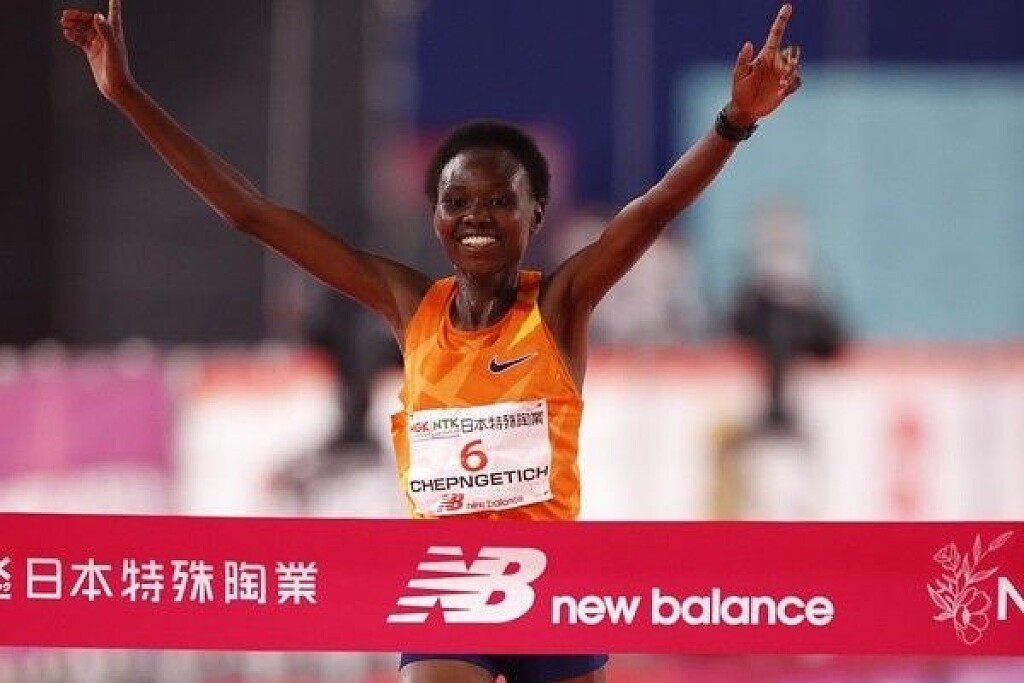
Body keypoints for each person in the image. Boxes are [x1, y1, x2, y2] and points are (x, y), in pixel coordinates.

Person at [60, 2, 802, 681]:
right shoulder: (409, 305)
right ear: (436, 217)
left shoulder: (560, 304)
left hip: (552, 582)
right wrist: (126, 94)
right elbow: (251, 213)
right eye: (457, 201)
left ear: (535, 214)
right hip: (447, 583)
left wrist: (734, 121)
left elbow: (654, 208)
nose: (476, 216)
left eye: (499, 201)